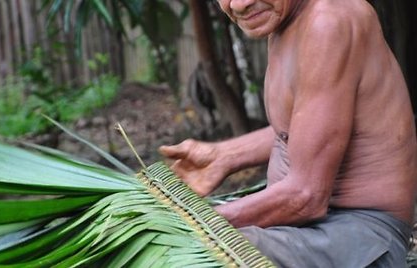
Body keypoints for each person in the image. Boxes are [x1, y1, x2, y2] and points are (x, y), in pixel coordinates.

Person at [159, 0, 417, 267]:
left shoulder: (329, 21)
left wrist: (191, 223)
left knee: (191, 253)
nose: (239, 4)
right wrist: (224, 155)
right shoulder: (285, 16)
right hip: (308, 223)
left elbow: (306, 197)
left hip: (361, 235)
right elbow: (307, 127)